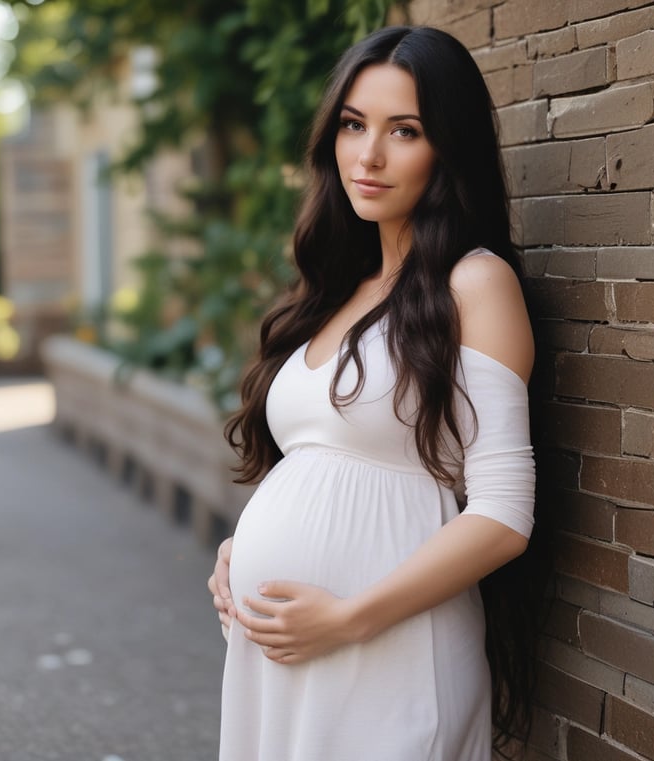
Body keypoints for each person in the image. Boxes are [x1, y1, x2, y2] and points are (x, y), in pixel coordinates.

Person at [208, 25, 537, 761]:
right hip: (283, 650)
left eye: (405, 130)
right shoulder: (334, 291)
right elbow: (323, 463)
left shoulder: (475, 283)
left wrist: (350, 616)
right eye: (354, 124)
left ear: (448, 148)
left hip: (387, 645)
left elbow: (504, 514)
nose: (369, 154)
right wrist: (241, 548)